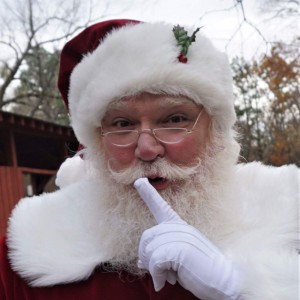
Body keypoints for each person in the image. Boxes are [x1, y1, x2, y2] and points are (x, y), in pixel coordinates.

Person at [0, 19, 298, 300]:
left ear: (216, 133)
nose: (146, 148)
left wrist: (241, 287)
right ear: (95, 144)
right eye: (121, 124)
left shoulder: (286, 217)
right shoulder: (25, 258)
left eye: (175, 118)